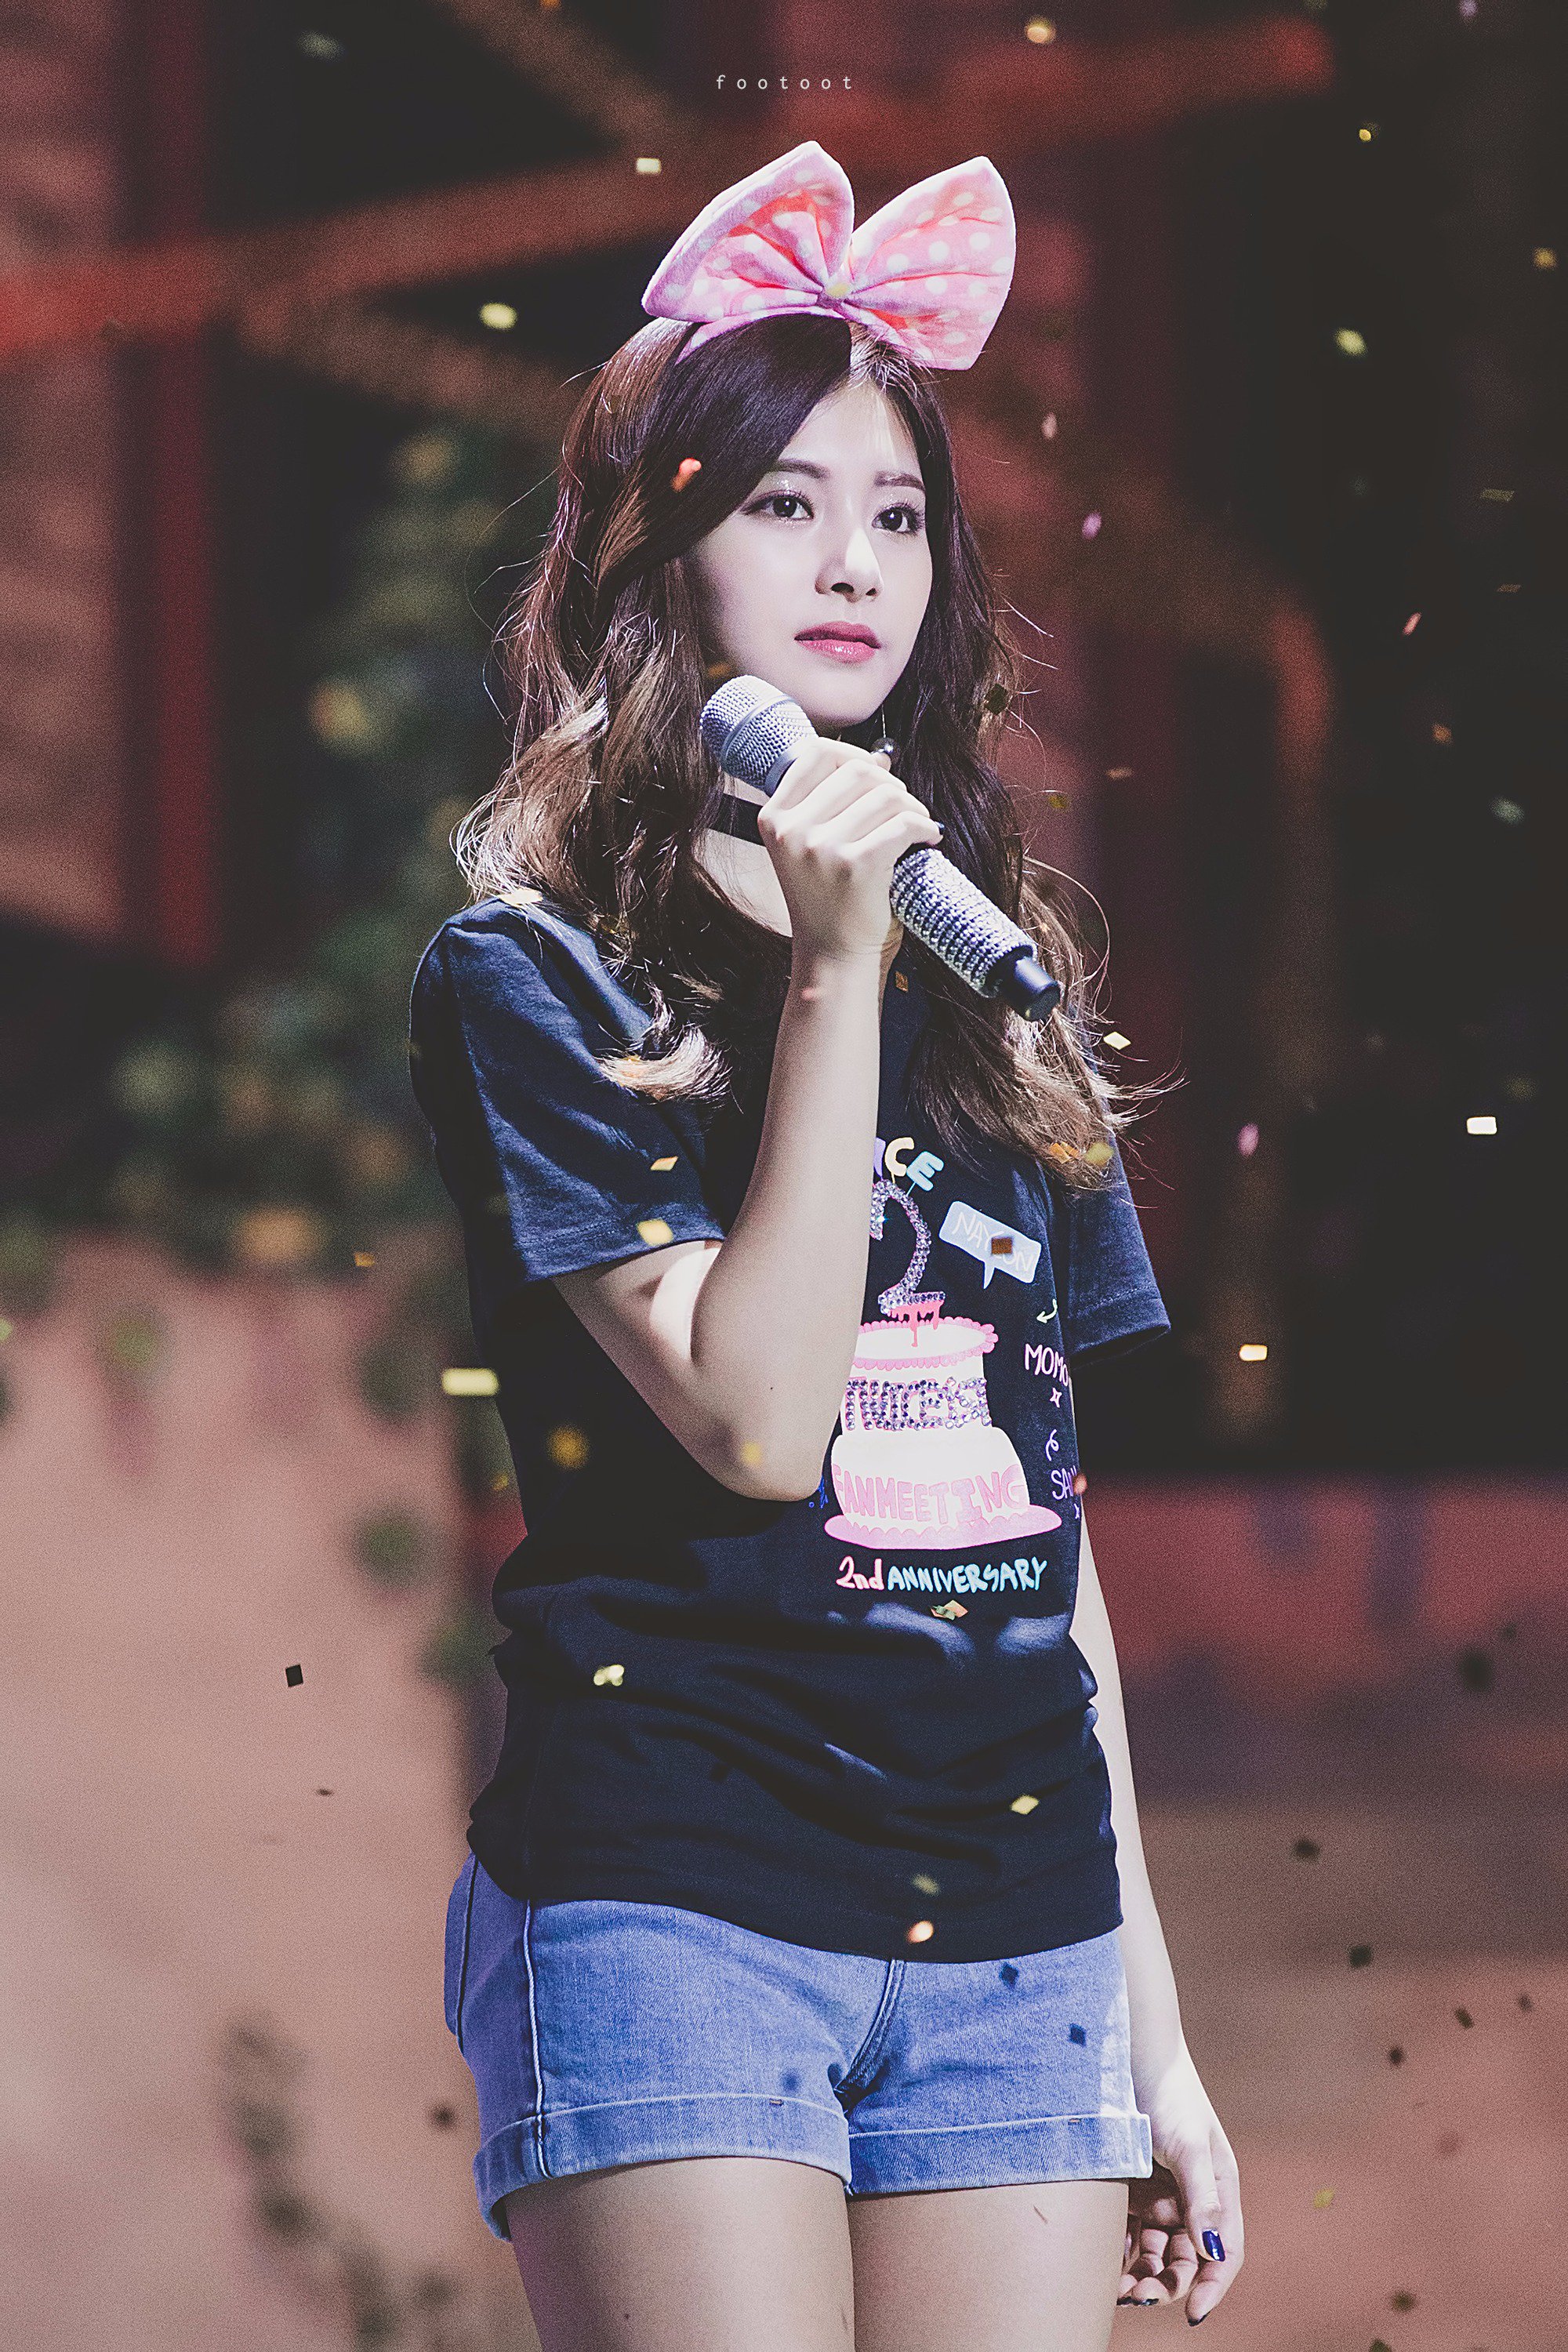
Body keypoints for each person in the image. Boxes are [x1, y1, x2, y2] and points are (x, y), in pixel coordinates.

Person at [409, 142, 1243, 2352]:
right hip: (679, 1888)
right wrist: (836, 972)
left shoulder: (996, 976)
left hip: (1023, 1931)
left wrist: (1152, 2036)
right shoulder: (539, 980)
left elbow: (1044, 1546)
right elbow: (763, 1426)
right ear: (662, 548)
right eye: (785, 504)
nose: (855, 560)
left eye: (898, 514)